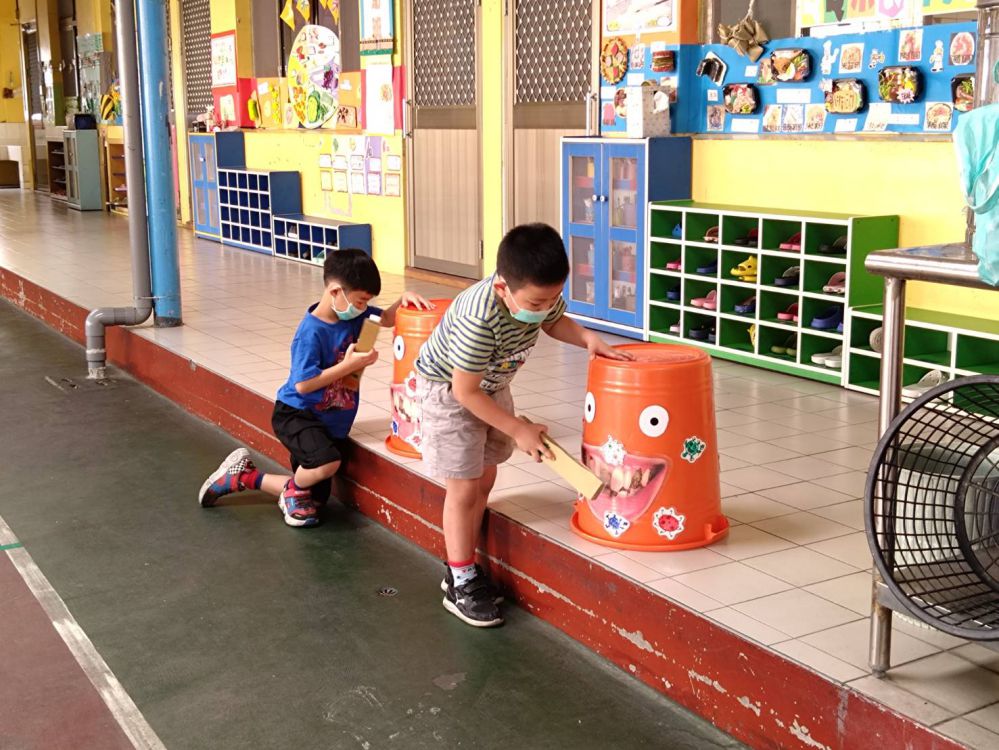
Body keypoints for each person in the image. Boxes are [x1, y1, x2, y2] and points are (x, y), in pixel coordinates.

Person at [415, 223, 633, 627]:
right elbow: (464, 392)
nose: (545, 306)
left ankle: (462, 561)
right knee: (463, 487)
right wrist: (517, 429)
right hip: (449, 392)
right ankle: (460, 580)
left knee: (485, 477)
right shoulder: (478, 319)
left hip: (491, 385)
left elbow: (553, 322)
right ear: (503, 287)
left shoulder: (537, 294)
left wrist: (587, 338)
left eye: (553, 297)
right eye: (537, 301)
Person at [197, 248, 431, 528]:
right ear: (335, 292)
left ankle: (243, 477)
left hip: (330, 422)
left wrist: (403, 300)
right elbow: (304, 384)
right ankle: (292, 491)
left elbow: (387, 319)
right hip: (297, 414)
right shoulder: (311, 332)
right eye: (360, 301)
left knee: (316, 500)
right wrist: (348, 366)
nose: (363, 307)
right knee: (327, 464)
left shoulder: (356, 316)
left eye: (367, 302)